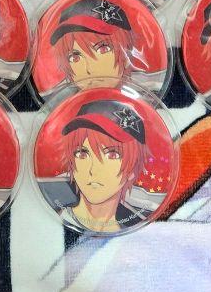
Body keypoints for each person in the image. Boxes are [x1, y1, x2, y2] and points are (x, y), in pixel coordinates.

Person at [56, 97, 152, 232]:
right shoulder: (55, 218)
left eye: (112, 155)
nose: (93, 169)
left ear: (132, 169)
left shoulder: (139, 227)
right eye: (82, 154)